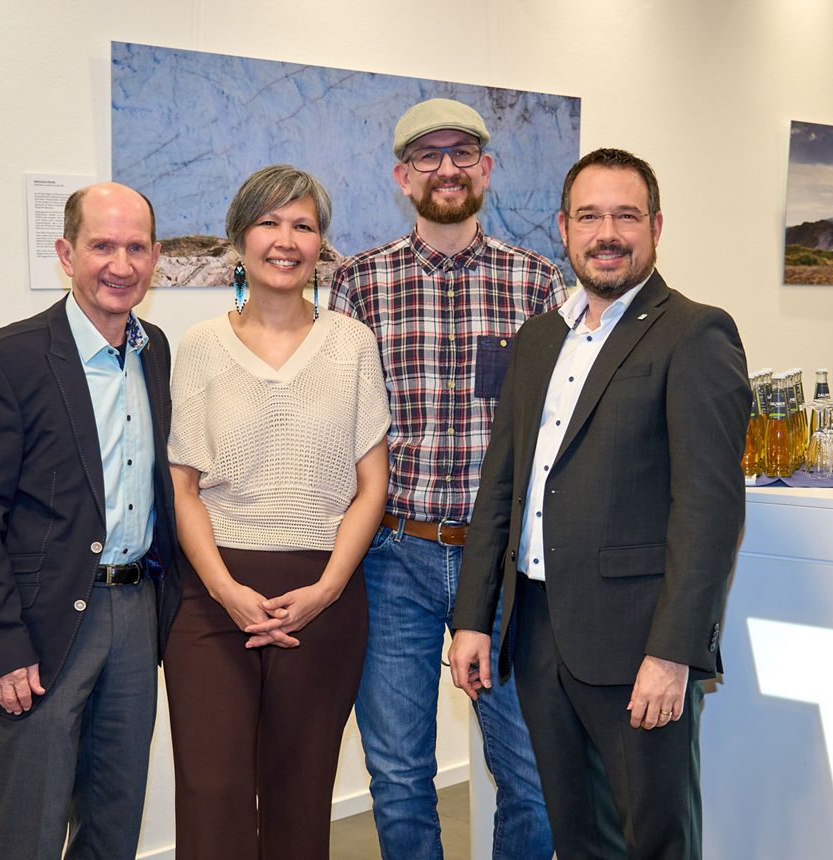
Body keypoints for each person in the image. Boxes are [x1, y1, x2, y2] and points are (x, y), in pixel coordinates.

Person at [448, 148, 751, 859]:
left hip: (637, 639)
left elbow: (709, 512)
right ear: (563, 227)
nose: (606, 233)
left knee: (655, 841)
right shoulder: (538, 338)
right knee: (578, 837)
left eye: (625, 215)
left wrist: (675, 653)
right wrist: (473, 620)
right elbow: (502, 488)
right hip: (539, 630)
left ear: (656, 226)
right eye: (589, 216)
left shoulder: (696, 333)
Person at [329, 97, 565, 859]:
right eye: (427, 156)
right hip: (392, 557)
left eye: (463, 153)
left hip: (500, 562)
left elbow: (558, 427)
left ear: (486, 169)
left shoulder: (536, 284)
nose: (447, 168)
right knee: (399, 773)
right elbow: (340, 430)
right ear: (403, 176)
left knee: (529, 774)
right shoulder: (359, 285)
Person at [0, 182, 183, 859]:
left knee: (115, 819)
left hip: (136, 615)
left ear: (156, 256)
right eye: (102, 245)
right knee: (32, 829)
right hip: (40, 627)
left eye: (136, 247)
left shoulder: (155, 349)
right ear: (65, 253)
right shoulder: (13, 358)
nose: (121, 263)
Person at [163, 164, 390, 859]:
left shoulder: (353, 343)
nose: (285, 239)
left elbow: (371, 486)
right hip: (211, 596)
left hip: (322, 595)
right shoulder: (199, 345)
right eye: (269, 222)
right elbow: (183, 489)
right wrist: (227, 593)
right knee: (212, 794)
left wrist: (326, 590)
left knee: (300, 795)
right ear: (239, 239)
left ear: (321, 244)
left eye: (303, 225)